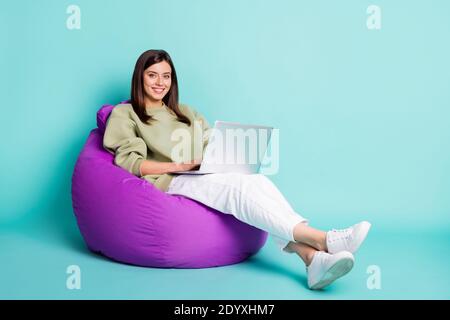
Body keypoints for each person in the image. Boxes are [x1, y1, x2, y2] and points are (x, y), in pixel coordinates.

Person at [103, 49, 371, 290]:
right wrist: (179, 165)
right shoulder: (126, 114)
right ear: (140, 77)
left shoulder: (186, 112)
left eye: (166, 76)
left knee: (256, 183)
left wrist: (227, 157)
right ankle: (323, 240)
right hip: (169, 179)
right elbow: (131, 163)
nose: (160, 83)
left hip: (201, 172)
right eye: (152, 75)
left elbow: (210, 143)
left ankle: (312, 259)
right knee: (237, 192)